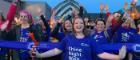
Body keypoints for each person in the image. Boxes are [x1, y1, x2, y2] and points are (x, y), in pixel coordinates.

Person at [31, 17, 126, 60]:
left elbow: (101, 54)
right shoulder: (67, 38)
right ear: (73, 26)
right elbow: (56, 51)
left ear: (84, 26)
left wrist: (118, 57)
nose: (79, 25)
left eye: (81, 23)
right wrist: (40, 55)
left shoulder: (90, 39)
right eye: (76, 23)